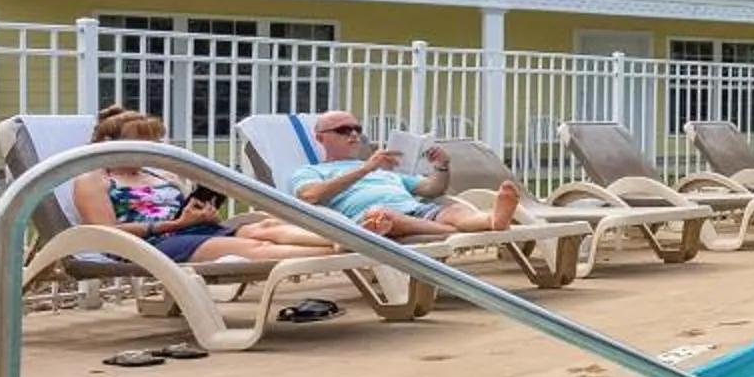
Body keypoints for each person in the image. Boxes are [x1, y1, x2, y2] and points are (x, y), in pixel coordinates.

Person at [72, 111, 346, 267]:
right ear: (109, 143)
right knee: (257, 247)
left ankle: (347, 242)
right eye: (141, 142)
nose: (149, 148)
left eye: (152, 141)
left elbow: (184, 213)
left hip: (188, 231)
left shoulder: (160, 174)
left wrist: (204, 215)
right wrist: (174, 224)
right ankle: (342, 253)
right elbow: (106, 234)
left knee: (268, 225)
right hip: (149, 245)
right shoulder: (94, 179)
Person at [286, 112, 524, 240]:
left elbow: (432, 189)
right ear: (320, 138)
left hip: (417, 211)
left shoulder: (383, 165)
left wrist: (442, 166)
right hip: (370, 223)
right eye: (343, 130)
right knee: (383, 215)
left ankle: (492, 221)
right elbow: (309, 196)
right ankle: (455, 232)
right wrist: (366, 169)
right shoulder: (310, 171)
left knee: (454, 211)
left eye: (357, 129)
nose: (354, 135)